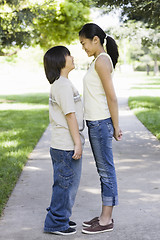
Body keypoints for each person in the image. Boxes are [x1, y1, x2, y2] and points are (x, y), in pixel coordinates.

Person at [79, 23, 122, 234]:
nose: (83, 48)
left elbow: (111, 97)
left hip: (101, 123)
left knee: (106, 170)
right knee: (103, 169)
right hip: (96, 123)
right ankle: (104, 214)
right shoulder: (97, 60)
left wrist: (116, 125)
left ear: (95, 40)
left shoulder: (102, 61)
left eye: (84, 43)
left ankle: (106, 220)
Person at [43, 46, 85, 236]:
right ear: (60, 61)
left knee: (64, 184)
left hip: (63, 145)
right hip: (66, 145)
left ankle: (59, 216)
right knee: (65, 185)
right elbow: (70, 116)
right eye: (68, 55)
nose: (72, 57)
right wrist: (77, 143)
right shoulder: (62, 85)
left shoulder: (63, 83)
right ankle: (57, 222)